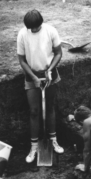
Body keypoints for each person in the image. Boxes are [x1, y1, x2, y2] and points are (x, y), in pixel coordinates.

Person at [17, 9, 64, 163]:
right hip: (32, 75)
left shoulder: (51, 31)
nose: (34, 30)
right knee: (34, 111)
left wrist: (50, 70)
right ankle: (34, 146)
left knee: (50, 107)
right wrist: (34, 77)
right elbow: (22, 60)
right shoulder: (22, 34)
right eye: (31, 28)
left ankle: (53, 140)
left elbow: (58, 53)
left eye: (36, 27)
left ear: (41, 23)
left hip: (50, 73)